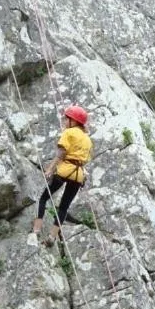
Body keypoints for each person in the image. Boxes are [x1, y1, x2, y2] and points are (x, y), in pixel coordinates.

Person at [30, 105, 92, 247]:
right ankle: (52, 237)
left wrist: (50, 170)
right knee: (63, 207)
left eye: (67, 118)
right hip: (78, 175)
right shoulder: (88, 139)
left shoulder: (69, 132)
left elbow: (61, 154)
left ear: (74, 121)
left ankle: (36, 230)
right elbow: (84, 159)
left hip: (65, 170)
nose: (65, 121)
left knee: (44, 198)